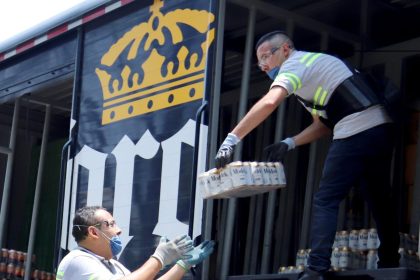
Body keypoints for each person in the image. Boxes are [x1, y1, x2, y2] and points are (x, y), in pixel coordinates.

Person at [215, 30, 399, 279]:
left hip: (356, 129)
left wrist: (231, 139)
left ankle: (316, 268)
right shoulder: (311, 72)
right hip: (380, 128)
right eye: (259, 62)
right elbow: (321, 125)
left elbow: (270, 102)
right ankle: (389, 262)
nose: (263, 66)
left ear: (286, 50)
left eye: (265, 57)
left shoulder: (296, 65)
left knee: (325, 199)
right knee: (379, 199)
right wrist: (289, 143)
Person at [57, 206, 214, 280]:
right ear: (93, 232)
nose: (119, 230)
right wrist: (160, 257)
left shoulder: (113, 265)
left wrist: (182, 265)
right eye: (110, 224)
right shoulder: (77, 260)